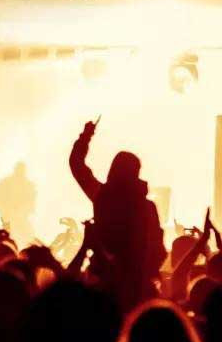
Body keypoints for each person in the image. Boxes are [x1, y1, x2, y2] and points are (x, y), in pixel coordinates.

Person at [70, 120, 166, 310]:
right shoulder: (147, 207)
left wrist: (86, 136)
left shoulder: (102, 197)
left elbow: (77, 165)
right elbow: (158, 249)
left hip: (104, 284)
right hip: (139, 288)